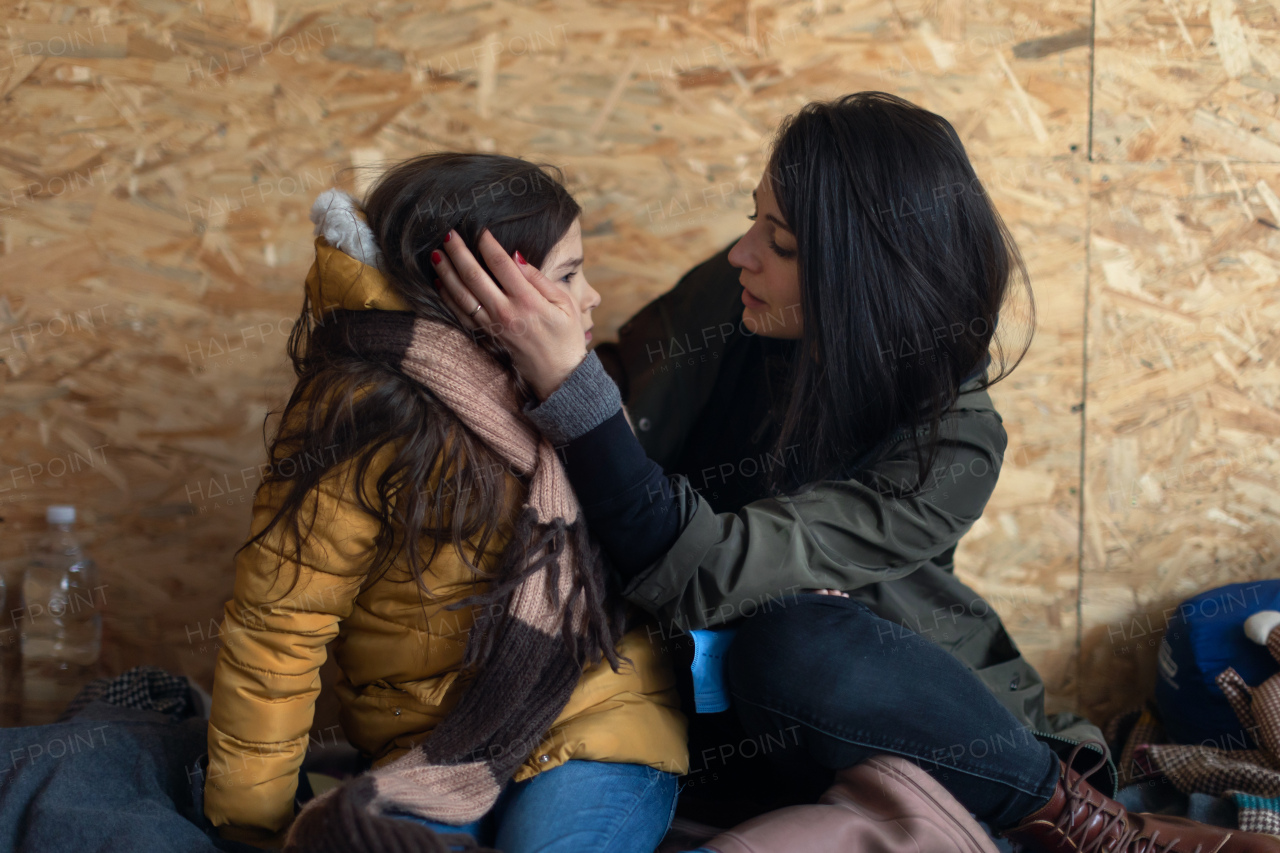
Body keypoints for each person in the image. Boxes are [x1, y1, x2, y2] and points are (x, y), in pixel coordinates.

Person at [430, 93, 1280, 852]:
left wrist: (570, 386)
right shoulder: (725, 303)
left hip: (823, 707)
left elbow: (694, 563)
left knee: (790, 637)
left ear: (860, 279)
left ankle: (1095, 825)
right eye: (754, 219)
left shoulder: (954, 443)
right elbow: (609, 386)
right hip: (657, 685)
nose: (741, 253)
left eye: (782, 242)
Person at [201, 153, 688, 853]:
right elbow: (280, 628)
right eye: (568, 276)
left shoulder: (574, 389)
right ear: (483, 289)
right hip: (436, 747)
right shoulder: (363, 411)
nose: (593, 300)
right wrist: (250, 825)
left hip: (598, 715)